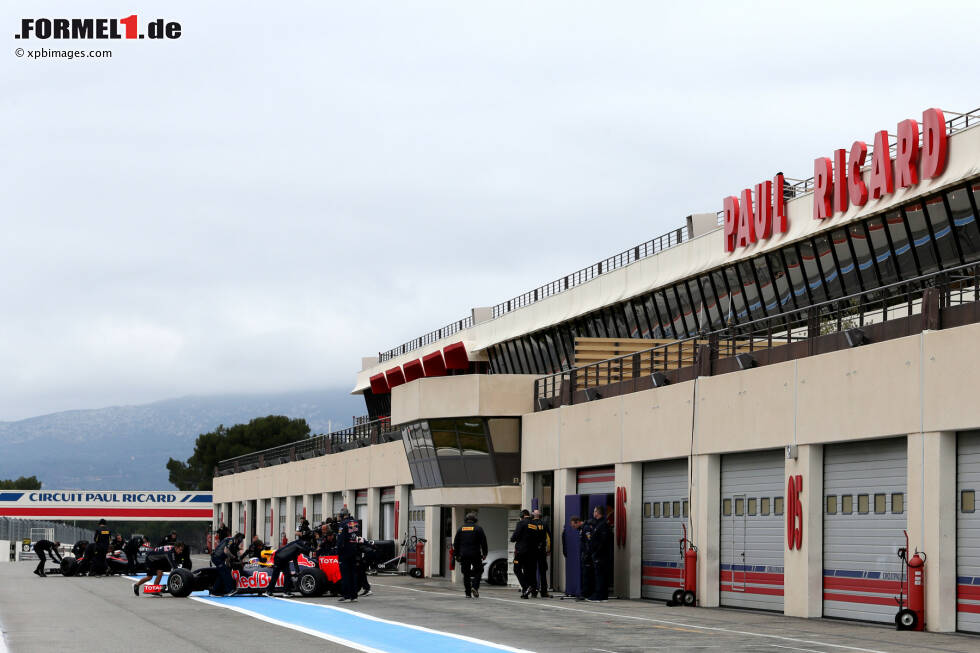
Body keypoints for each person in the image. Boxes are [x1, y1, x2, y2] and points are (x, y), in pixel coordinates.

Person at [453, 512, 488, 599]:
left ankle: (468, 593)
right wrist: (485, 553)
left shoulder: (460, 529)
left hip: (464, 555)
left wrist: (456, 555)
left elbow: (456, 543)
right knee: (479, 570)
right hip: (475, 554)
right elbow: (483, 542)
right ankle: (475, 587)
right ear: (475, 520)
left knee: (466, 574)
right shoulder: (478, 529)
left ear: (466, 520)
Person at [510, 509, 537, 598]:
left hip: (521, 551)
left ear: (522, 516)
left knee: (516, 569)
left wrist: (513, 538)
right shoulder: (534, 524)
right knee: (528, 571)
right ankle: (526, 592)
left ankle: (526, 587)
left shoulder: (521, 523)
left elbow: (514, 537)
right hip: (532, 552)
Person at [588, 506, 612, 602]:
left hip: (601, 555)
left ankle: (600, 595)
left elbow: (602, 541)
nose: (593, 513)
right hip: (599, 554)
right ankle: (602, 595)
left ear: (598, 512)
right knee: (600, 575)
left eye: (594, 511)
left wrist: (596, 552)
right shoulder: (598, 524)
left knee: (600, 576)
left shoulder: (602, 525)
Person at [336, 508, 360, 602]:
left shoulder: (343, 524)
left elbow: (340, 539)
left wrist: (338, 550)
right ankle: (354, 596)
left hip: (344, 552)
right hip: (353, 550)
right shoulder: (354, 523)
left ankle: (346, 595)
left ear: (342, 515)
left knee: (345, 574)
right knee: (353, 574)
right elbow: (355, 537)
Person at [210, 532, 245, 597]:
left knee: (222, 574)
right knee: (226, 573)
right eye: (241, 540)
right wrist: (233, 557)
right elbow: (226, 551)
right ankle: (229, 590)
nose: (241, 541)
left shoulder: (234, 543)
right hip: (217, 558)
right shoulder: (230, 540)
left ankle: (215, 591)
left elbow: (231, 553)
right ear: (238, 539)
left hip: (220, 559)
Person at [531, 509, 552, 598]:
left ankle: (534, 592)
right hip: (542, 551)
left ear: (533, 515)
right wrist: (548, 550)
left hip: (532, 551)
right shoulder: (544, 524)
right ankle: (544, 592)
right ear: (540, 515)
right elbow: (549, 538)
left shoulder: (530, 524)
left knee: (532, 571)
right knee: (543, 572)